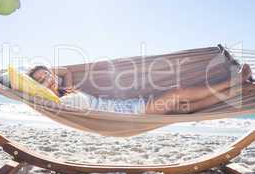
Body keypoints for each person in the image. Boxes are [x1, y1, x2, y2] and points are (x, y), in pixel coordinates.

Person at [26, 64, 252, 114]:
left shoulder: (66, 90)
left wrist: (50, 72)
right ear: (37, 86)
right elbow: (38, 97)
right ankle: (235, 81)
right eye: (40, 78)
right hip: (131, 113)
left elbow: (66, 72)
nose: (46, 78)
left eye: (46, 73)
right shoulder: (56, 101)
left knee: (184, 106)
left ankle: (235, 92)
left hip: (129, 107)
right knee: (177, 92)